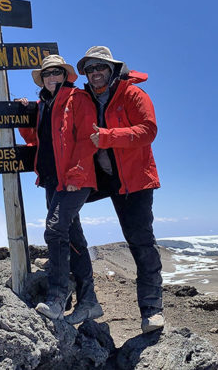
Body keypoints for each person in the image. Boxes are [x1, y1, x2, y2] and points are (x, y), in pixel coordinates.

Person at [74, 46, 165, 334]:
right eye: (89, 69)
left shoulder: (132, 94)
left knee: (140, 241)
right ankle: (82, 296)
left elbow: (148, 130)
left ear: (112, 69)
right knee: (60, 212)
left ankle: (152, 310)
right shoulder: (85, 97)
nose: (95, 73)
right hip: (101, 178)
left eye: (100, 67)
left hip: (134, 180)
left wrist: (108, 137)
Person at [17, 54, 103, 323]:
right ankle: (89, 302)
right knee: (73, 239)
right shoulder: (45, 104)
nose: (51, 77)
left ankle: (57, 298)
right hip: (52, 180)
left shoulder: (78, 99)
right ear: (42, 79)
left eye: (56, 72)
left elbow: (87, 137)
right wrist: (24, 115)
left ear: (65, 75)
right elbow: (37, 138)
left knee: (54, 231)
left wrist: (76, 173)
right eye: (47, 74)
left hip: (75, 179)